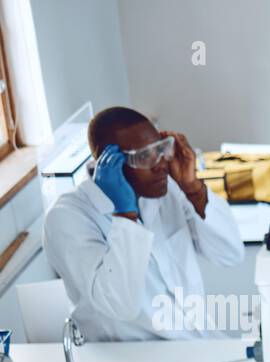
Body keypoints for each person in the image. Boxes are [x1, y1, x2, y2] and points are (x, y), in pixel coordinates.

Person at [43, 107, 243, 341]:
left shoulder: (167, 189)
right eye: (144, 156)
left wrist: (193, 188)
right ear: (109, 162)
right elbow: (119, 304)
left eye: (160, 149)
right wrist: (126, 215)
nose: (160, 164)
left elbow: (231, 255)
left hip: (198, 342)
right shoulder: (68, 218)